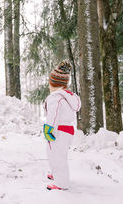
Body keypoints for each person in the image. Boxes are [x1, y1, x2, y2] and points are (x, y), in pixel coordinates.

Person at [43, 60, 81, 190]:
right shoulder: (67, 96)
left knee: (56, 155)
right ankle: (56, 174)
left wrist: (49, 129)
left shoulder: (55, 97)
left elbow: (53, 115)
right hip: (68, 130)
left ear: (54, 83)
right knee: (58, 154)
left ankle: (62, 183)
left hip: (58, 130)